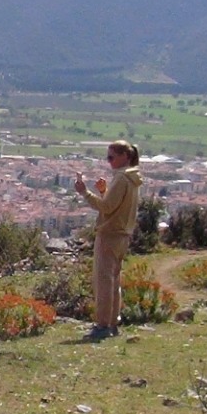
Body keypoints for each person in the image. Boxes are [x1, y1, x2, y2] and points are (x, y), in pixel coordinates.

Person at [74, 140, 143, 339]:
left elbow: (106, 208)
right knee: (113, 281)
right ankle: (112, 322)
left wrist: (84, 192)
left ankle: (102, 325)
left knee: (103, 281)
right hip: (123, 234)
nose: (109, 161)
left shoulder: (121, 178)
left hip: (110, 234)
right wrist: (104, 192)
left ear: (125, 157)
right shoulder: (132, 178)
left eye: (111, 157)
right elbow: (116, 206)